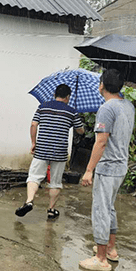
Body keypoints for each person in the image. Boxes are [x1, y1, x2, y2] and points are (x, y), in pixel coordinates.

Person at [79, 69, 135, 271]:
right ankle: (111, 249)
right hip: (121, 166)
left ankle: (101, 258)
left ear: (102, 85)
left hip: (108, 166)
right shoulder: (128, 105)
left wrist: (88, 170)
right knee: (109, 208)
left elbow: (101, 142)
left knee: (101, 210)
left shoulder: (107, 108)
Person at [16, 84, 85, 219]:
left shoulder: (43, 107)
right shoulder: (71, 111)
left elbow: (33, 124)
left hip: (42, 148)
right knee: (55, 182)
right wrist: (75, 120)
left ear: (55, 95)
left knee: (34, 177)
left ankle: (29, 201)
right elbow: (80, 131)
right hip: (59, 152)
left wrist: (33, 143)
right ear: (68, 97)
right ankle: (51, 210)